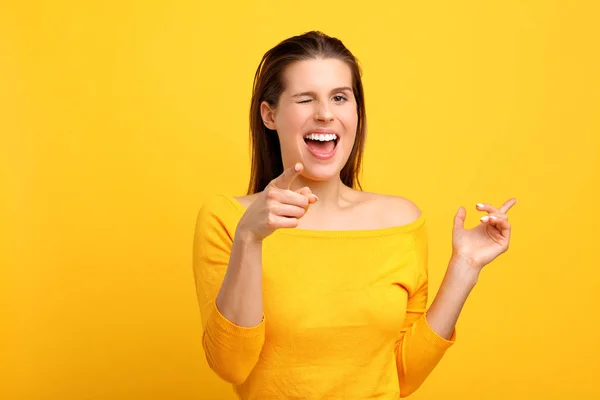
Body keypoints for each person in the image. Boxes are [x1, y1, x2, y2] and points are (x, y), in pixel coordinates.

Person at [193, 31, 517, 399]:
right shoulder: (228, 219)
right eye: (305, 99)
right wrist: (249, 239)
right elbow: (230, 365)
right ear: (270, 115)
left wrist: (465, 268)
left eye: (339, 98)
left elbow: (403, 375)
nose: (325, 114)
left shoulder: (400, 222)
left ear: (356, 112)